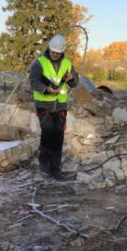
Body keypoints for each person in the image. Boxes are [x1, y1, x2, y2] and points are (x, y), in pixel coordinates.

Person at [29, 34, 79, 179]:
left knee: (58, 136)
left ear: (62, 51)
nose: (55, 55)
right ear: (50, 49)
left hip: (60, 106)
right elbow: (33, 81)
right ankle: (44, 164)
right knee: (47, 133)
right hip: (44, 104)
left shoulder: (67, 64)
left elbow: (76, 82)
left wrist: (72, 78)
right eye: (53, 52)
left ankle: (55, 169)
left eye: (58, 53)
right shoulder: (39, 63)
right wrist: (46, 89)